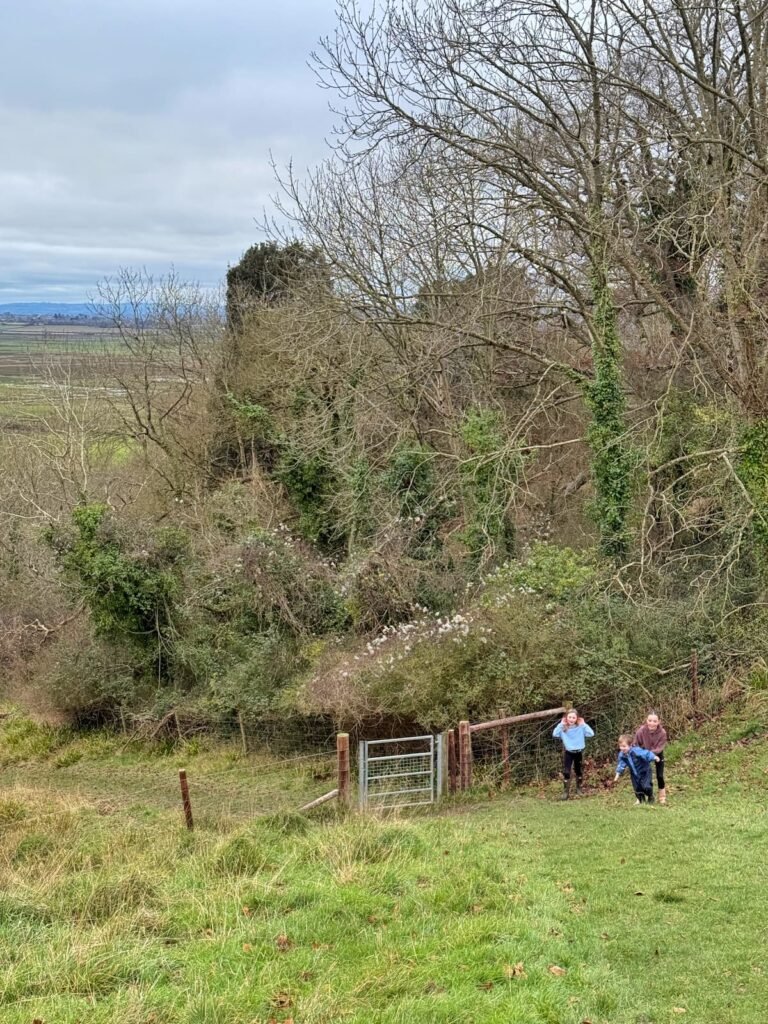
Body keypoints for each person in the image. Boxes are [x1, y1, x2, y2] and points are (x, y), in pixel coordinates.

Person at [552, 708, 594, 799]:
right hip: (569, 752)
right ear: (566, 718)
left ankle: (579, 789)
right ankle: (565, 792)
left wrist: (584, 724)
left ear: (577, 718)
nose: (571, 719)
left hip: (578, 752)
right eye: (569, 717)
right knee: (566, 772)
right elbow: (555, 734)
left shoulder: (581, 727)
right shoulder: (563, 727)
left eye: (573, 717)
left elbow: (591, 734)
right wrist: (561, 724)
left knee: (578, 770)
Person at [613, 734, 660, 804]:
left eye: (624, 746)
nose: (622, 748)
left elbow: (646, 753)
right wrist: (617, 774)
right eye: (620, 746)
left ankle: (650, 796)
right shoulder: (622, 755)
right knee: (637, 788)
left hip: (644, 771)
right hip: (634, 773)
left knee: (646, 786)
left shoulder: (636, 751)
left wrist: (654, 757)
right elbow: (621, 764)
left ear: (630, 745)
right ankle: (641, 800)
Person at [634, 710, 668, 804]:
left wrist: (651, 755)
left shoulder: (663, 733)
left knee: (660, 775)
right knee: (641, 776)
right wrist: (643, 754)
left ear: (659, 722)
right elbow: (635, 745)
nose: (652, 723)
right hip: (643, 754)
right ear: (646, 720)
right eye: (650, 720)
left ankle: (662, 796)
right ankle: (640, 797)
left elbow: (659, 748)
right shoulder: (641, 731)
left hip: (657, 754)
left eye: (654, 721)